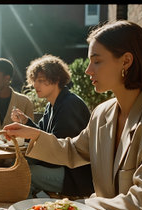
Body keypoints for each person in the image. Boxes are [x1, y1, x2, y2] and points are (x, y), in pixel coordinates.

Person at [4, 20, 142, 210]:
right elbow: (74, 151)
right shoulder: (102, 113)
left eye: (97, 61)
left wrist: (84, 204)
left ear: (126, 61)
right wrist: (34, 134)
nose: (88, 70)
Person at [11, 54, 93, 198]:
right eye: (34, 80)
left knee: (22, 172)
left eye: (41, 81)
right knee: (16, 164)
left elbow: (58, 151)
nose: (36, 85)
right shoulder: (52, 104)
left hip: (74, 175)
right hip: (61, 167)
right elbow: (42, 133)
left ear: (57, 79)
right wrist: (26, 121)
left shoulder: (70, 105)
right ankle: (34, 208)